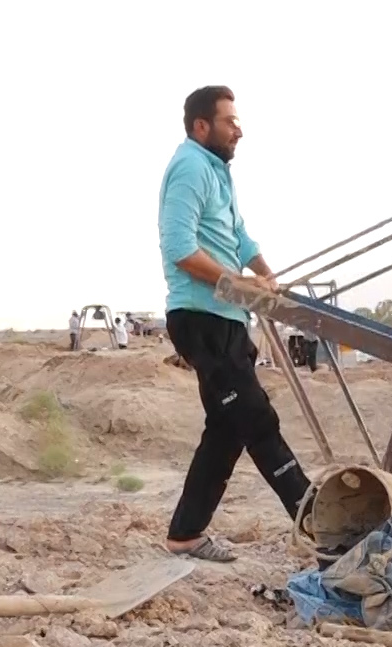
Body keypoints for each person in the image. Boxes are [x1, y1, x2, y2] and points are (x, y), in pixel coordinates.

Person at [156, 85, 311, 561]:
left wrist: (263, 271)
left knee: (225, 431)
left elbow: (237, 234)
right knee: (257, 420)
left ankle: (185, 534)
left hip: (226, 317)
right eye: (230, 122)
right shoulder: (189, 168)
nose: (238, 131)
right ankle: (320, 525)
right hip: (201, 317)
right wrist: (239, 282)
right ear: (201, 126)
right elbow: (180, 248)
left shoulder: (216, 171)